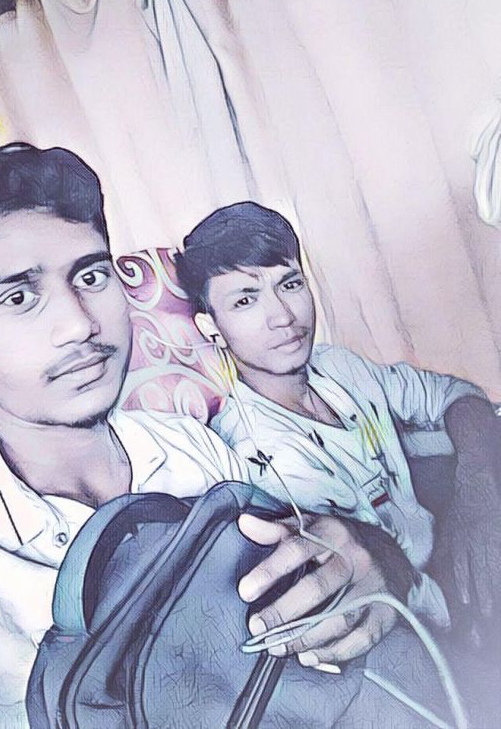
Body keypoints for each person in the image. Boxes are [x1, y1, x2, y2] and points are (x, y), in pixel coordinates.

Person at [0, 147, 415, 728]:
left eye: (90, 277)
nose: (79, 324)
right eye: (19, 297)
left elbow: (313, 559)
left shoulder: (192, 448)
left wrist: (370, 555)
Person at [175, 200, 501, 658]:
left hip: (457, 560)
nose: (283, 315)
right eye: (246, 300)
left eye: (290, 284)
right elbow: (397, 591)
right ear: (211, 327)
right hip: (427, 631)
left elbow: (457, 396)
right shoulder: (255, 453)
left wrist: (479, 493)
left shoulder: (338, 367)